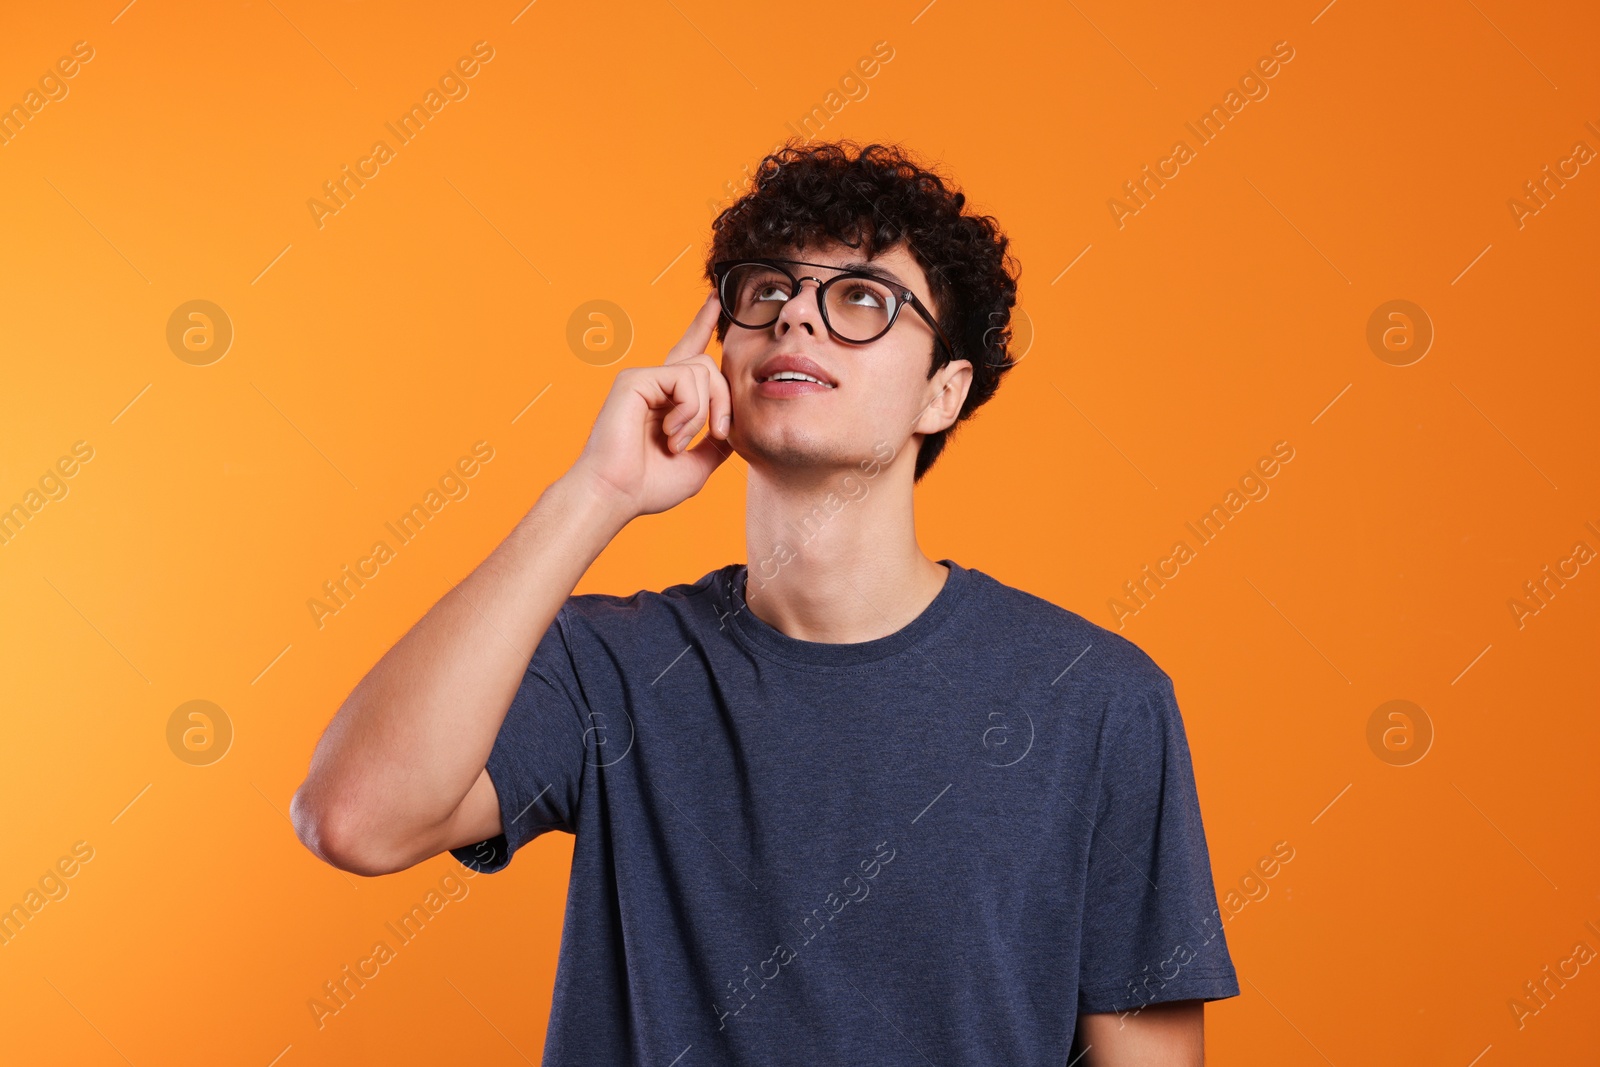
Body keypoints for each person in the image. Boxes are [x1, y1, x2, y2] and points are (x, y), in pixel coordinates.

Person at [290, 140, 1239, 1065]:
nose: (797, 321)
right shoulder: (609, 666)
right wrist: (599, 492)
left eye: (862, 298)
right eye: (768, 293)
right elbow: (355, 819)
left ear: (943, 392)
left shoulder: (1098, 699)